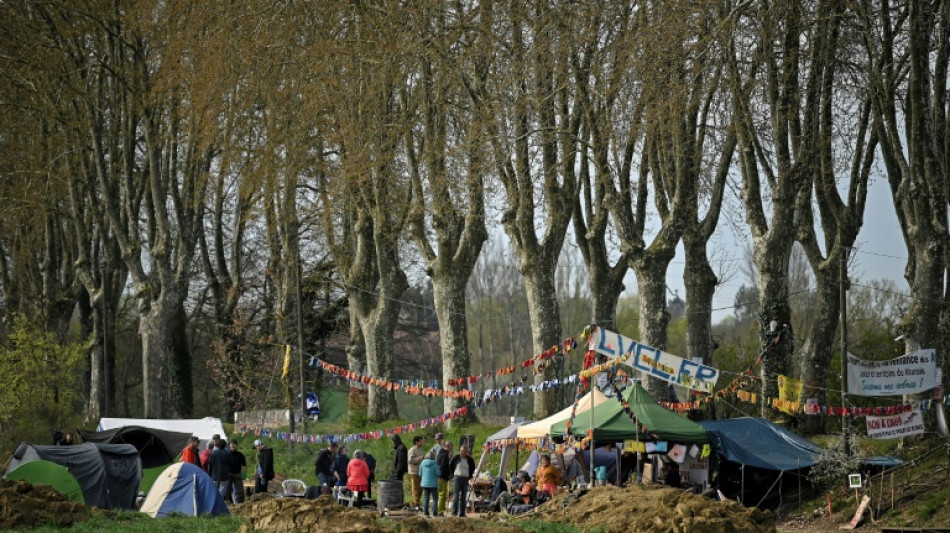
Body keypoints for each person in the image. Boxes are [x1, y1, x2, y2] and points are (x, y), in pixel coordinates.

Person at [449, 444, 476, 518]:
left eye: (464, 451)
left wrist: (470, 476)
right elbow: (451, 465)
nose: (462, 452)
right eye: (461, 450)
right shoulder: (456, 457)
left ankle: (462, 513)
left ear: (467, 451)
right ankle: (454, 513)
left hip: (465, 478)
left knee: (463, 497)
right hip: (457, 478)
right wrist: (453, 475)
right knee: (456, 496)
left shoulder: (470, 459)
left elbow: (473, 468)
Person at [419, 452, 441, 517]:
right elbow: (438, 473)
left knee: (426, 498)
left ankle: (426, 513)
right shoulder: (435, 463)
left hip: (424, 484)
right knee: (435, 499)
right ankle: (435, 513)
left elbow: (420, 474)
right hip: (433, 484)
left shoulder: (422, 463)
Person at [436, 440, 453, 516]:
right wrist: (447, 475)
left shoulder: (441, 453)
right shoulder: (444, 455)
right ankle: (439, 511)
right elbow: (443, 466)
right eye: (451, 446)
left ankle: (441, 509)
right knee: (442, 494)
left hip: (440, 476)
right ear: (449, 446)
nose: (452, 448)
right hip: (442, 477)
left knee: (443, 494)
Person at [407, 436, 425, 507]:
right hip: (414, 471)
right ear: (416, 442)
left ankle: (418, 501)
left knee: (420, 487)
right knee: (415, 488)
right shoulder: (412, 450)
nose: (422, 442)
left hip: (420, 471)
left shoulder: (420, 449)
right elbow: (410, 460)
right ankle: (415, 502)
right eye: (421, 441)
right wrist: (419, 458)